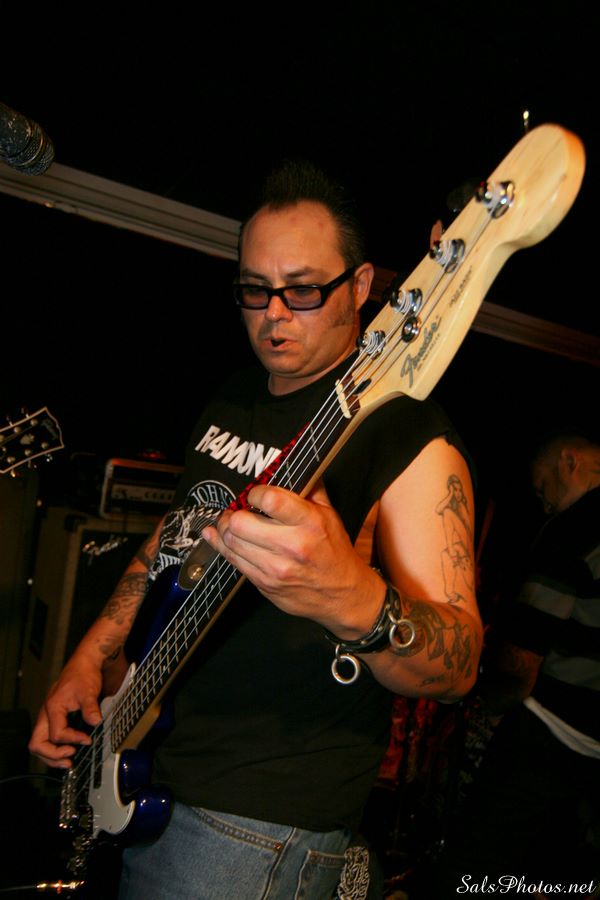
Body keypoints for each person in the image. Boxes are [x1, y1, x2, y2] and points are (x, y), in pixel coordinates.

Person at [29, 160, 483, 899]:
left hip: (259, 825)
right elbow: (173, 537)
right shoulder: (236, 395)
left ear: (362, 287)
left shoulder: (410, 438)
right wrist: (89, 660)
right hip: (155, 765)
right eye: (254, 289)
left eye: (303, 290)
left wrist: (354, 602)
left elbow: (459, 663)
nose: (273, 315)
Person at [432, 429, 600, 894]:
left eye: (543, 489)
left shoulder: (577, 524)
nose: (544, 505)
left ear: (569, 461)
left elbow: (520, 663)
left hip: (551, 734)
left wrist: (481, 704)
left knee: (471, 871)